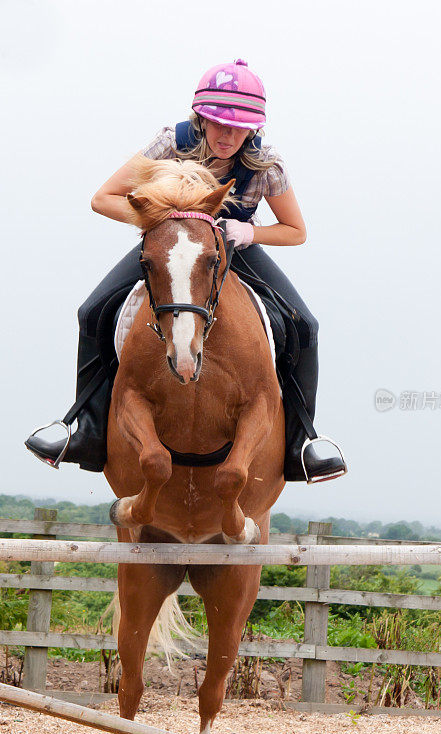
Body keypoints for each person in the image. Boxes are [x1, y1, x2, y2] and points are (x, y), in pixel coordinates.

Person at [25, 59, 346, 483]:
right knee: (92, 311)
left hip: (232, 246)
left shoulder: (267, 165)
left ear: (255, 128)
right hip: (171, 244)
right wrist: (160, 219)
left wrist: (249, 231)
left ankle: (302, 443)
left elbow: (297, 231)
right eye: (218, 124)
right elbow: (103, 198)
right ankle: (83, 425)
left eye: (240, 127)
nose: (228, 136)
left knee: (305, 325)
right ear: (200, 117)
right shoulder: (169, 141)